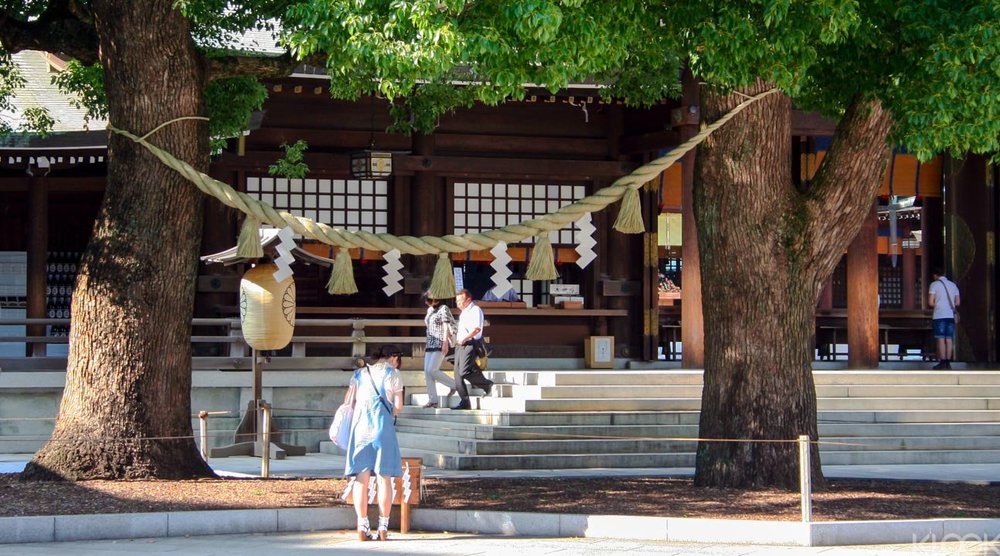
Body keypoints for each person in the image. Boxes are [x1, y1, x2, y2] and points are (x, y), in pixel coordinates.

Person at [342, 344, 404, 541]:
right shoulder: (393, 374)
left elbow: (349, 401)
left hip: (360, 428)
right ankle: (383, 526)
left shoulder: (359, 374)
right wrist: (392, 411)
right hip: (382, 427)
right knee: (384, 478)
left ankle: (362, 525)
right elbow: (398, 406)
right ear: (393, 357)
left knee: (361, 478)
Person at [451, 289, 494, 410]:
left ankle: (486, 384)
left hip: (470, 343)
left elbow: (476, 329)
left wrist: (465, 338)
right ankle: (465, 402)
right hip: (459, 344)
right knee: (457, 375)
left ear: (468, 300)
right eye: (457, 301)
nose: (458, 303)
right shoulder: (463, 312)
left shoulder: (475, 310)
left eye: (460, 301)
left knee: (464, 371)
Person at [421, 292, 458, 408]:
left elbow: (446, 326)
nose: (426, 302)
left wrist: (445, 342)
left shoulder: (443, 308)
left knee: (432, 370)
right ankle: (433, 399)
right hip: (430, 342)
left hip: (440, 341)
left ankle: (454, 385)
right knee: (427, 371)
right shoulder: (430, 310)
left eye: (428, 300)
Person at [928, 268, 960, 370]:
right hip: (950, 315)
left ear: (935, 275)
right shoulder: (953, 285)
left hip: (939, 315)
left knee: (941, 338)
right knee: (949, 339)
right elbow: (957, 302)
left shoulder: (934, 285)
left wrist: (939, 304)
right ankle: (948, 362)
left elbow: (930, 302)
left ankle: (942, 361)